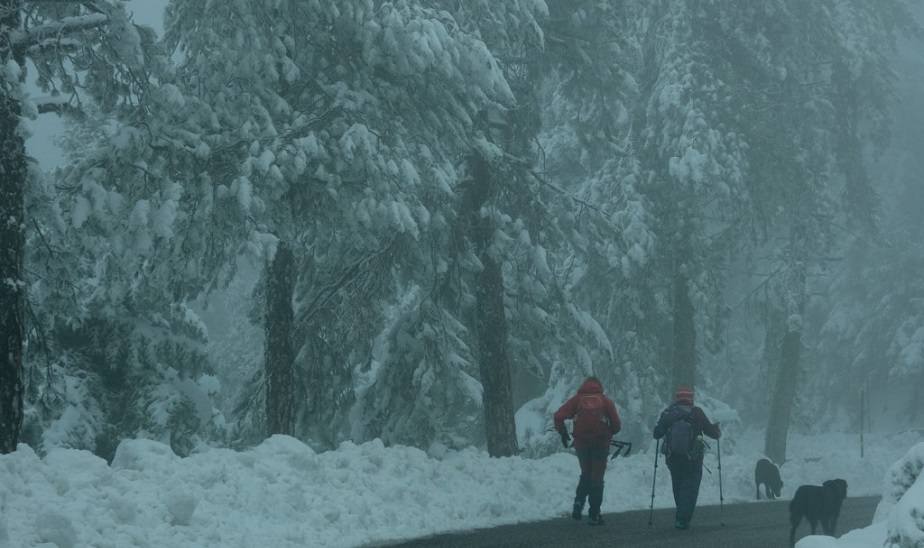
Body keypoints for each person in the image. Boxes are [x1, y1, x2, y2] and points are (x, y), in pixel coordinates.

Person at [553, 376, 621, 525]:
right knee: (597, 477)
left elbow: (558, 416)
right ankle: (593, 514)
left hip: (582, 445)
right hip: (600, 445)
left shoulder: (577, 400)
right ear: (598, 385)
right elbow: (616, 424)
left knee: (586, 474)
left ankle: (578, 502)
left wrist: (563, 433)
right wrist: (609, 433)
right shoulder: (605, 401)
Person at [652, 385, 721, 530]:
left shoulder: (669, 413)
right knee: (690, 488)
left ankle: (681, 515)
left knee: (678, 486)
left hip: (673, 458)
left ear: (677, 398)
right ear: (691, 398)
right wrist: (717, 430)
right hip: (693, 458)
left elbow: (657, 434)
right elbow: (713, 433)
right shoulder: (697, 412)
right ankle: (682, 519)